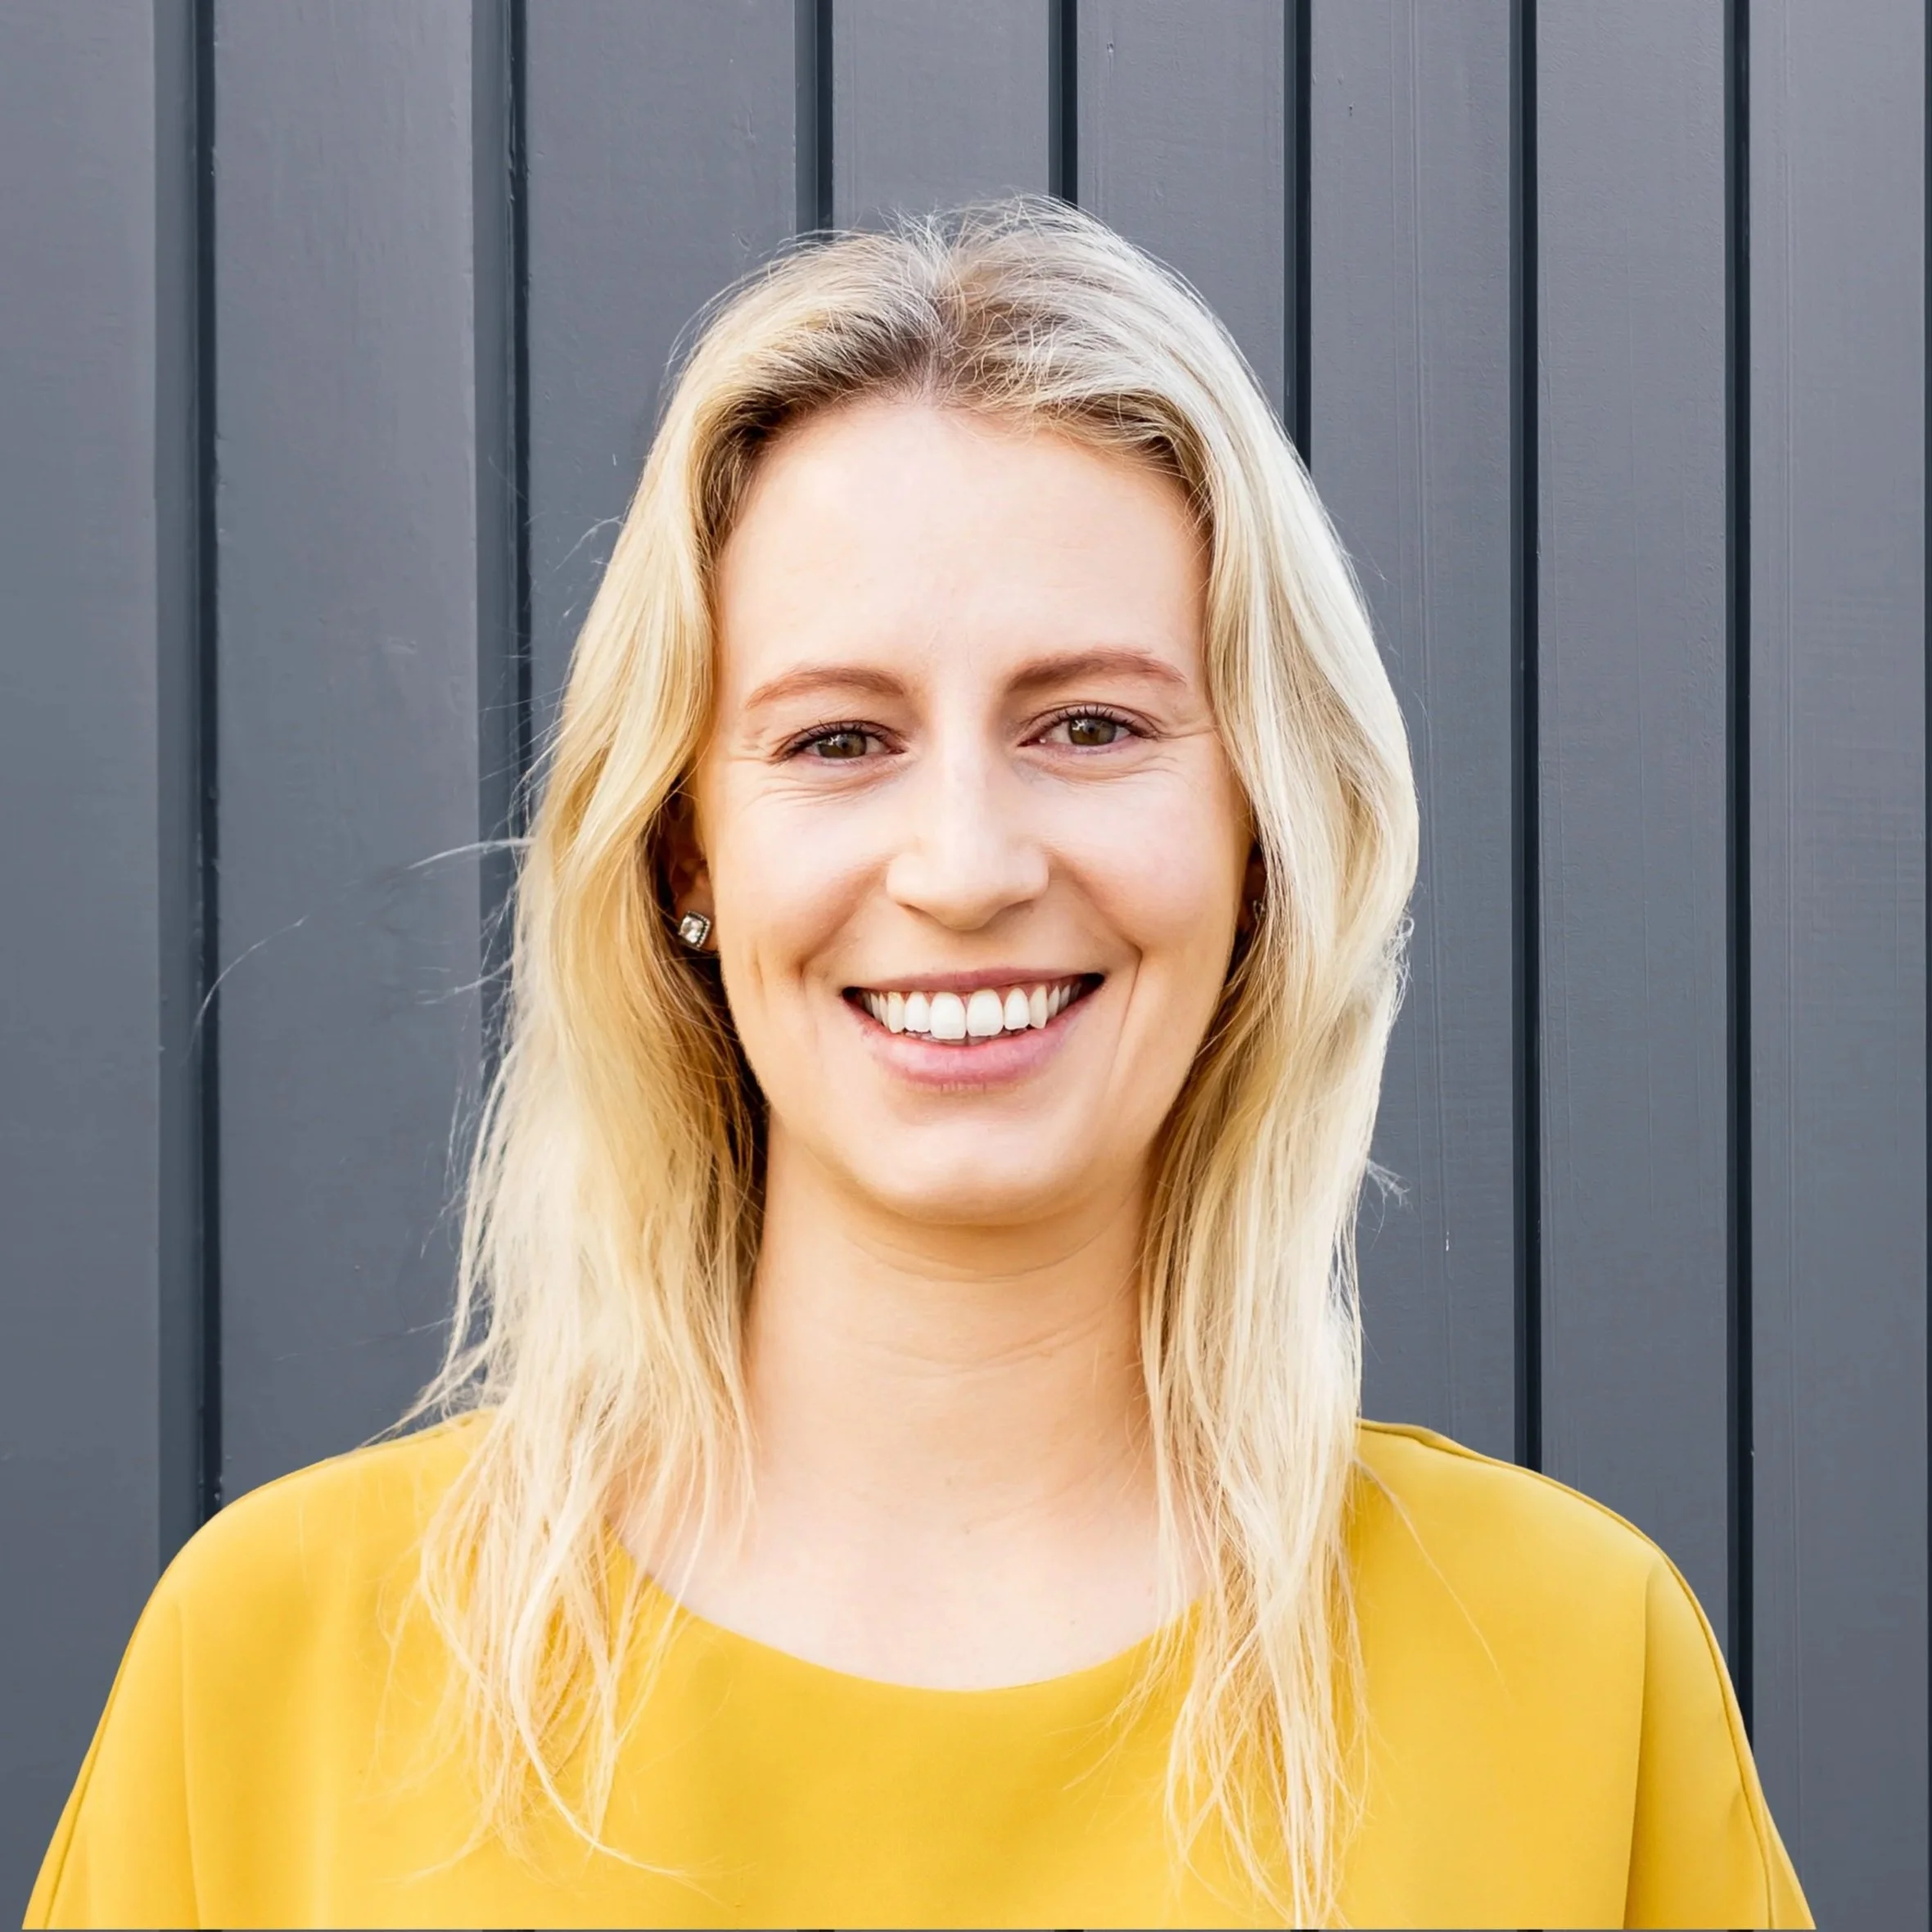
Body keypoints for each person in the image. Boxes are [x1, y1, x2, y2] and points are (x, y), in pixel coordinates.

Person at [27, 198, 1808, 1930]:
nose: (964, 864)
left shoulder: (1575, 1668)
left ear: (1262, 832)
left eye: (1091, 725)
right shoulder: (274, 1668)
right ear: (683, 855)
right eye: (838, 737)